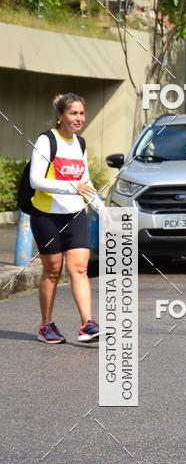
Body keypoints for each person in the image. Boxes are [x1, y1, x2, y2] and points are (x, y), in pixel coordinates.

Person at [30, 93, 102, 344]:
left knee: (79, 267)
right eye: (73, 113)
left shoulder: (80, 144)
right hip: (47, 216)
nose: (79, 118)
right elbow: (36, 180)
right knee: (52, 270)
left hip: (75, 214)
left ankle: (87, 324)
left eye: (82, 113)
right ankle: (46, 325)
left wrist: (100, 208)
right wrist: (72, 187)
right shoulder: (47, 140)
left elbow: (86, 181)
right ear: (60, 116)